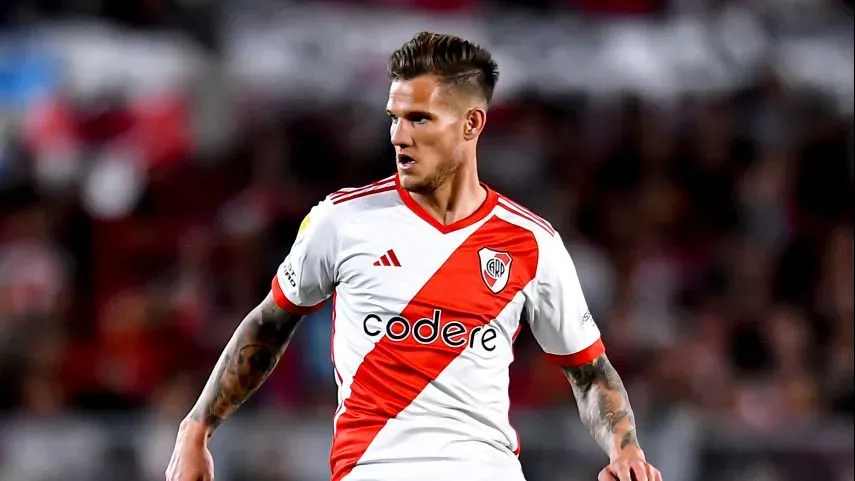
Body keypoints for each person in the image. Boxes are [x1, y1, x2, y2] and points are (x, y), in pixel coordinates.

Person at [165, 32, 664, 481]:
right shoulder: (342, 221)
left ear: (471, 124)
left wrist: (625, 447)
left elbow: (590, 371)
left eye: (420, 118)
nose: (400, 136)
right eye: (395, 118)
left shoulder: (532, 243)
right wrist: (197, 428)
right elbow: (269, 325)